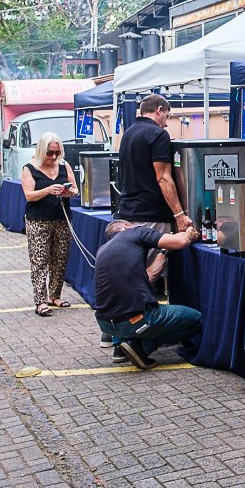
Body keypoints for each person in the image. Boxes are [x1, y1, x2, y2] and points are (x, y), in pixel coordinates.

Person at [93, 220, 203, 368]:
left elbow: (150, 277)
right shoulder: (135, 232)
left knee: (129, 317)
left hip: (106, 324)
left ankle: (124, 345)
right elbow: (181, 241)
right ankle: (143, 347)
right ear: (126, 226)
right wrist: (189, 232)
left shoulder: (103, 249)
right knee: (198, 320)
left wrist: (163, 251)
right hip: (135, 319)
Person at [117, 94, 194, 282]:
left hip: (129, 213)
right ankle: (144, 302)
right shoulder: (158, 135)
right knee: (149, 275)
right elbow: (163, 178)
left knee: (134, 270)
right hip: (151, 214)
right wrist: (180, 215)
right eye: (167, 116)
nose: (166, 123)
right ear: (159, 110)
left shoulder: (128, 133)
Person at [22, 132, 77, 317]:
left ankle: (55, 295)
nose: (53, 157)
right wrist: (47, 190)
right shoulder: (30, 168)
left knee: (60, 259)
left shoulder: (64, 165)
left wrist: (70, 193)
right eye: (50, 153)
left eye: (57, 153)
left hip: (61, 218)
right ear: (41, 151)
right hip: (38, 220)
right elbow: (29, 195)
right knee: (39, 260)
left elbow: (75, 188)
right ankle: (40, 301)